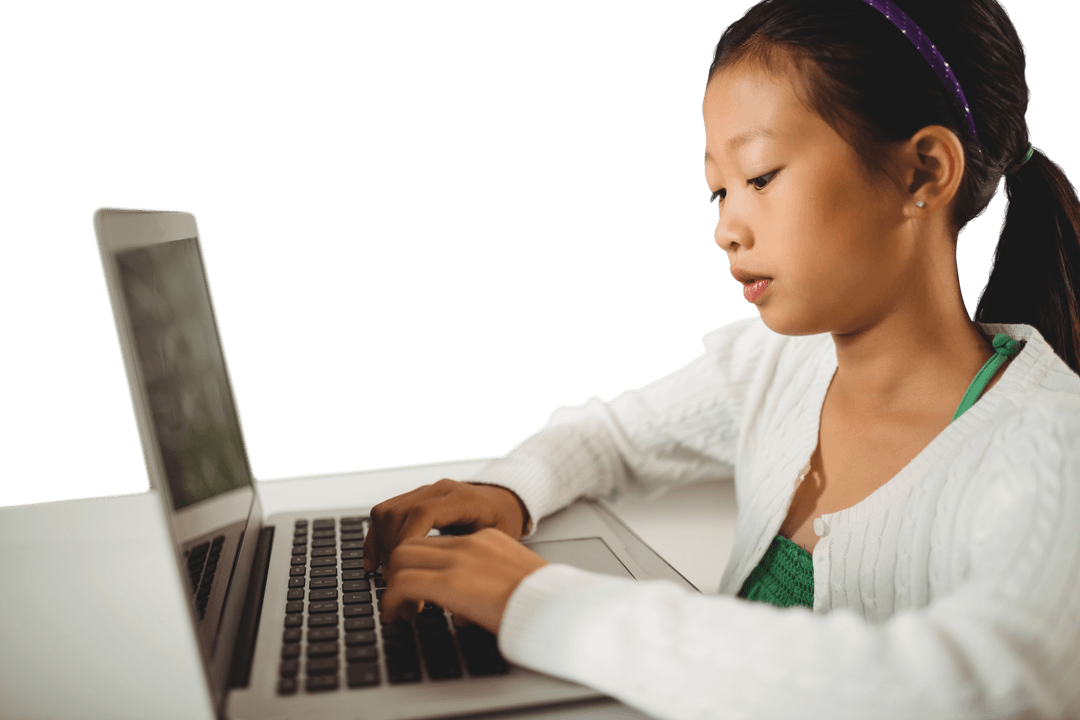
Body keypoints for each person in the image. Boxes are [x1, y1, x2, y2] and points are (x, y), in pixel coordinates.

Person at [364, 0, 1080, 717]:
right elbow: (607, 438)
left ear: (924, 171)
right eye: (718, 191)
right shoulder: (774, 364)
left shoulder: (1052, 445)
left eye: (762, 176)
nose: (725, 230)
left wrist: (541, 604)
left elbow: (990, 685)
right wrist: (509, 493)